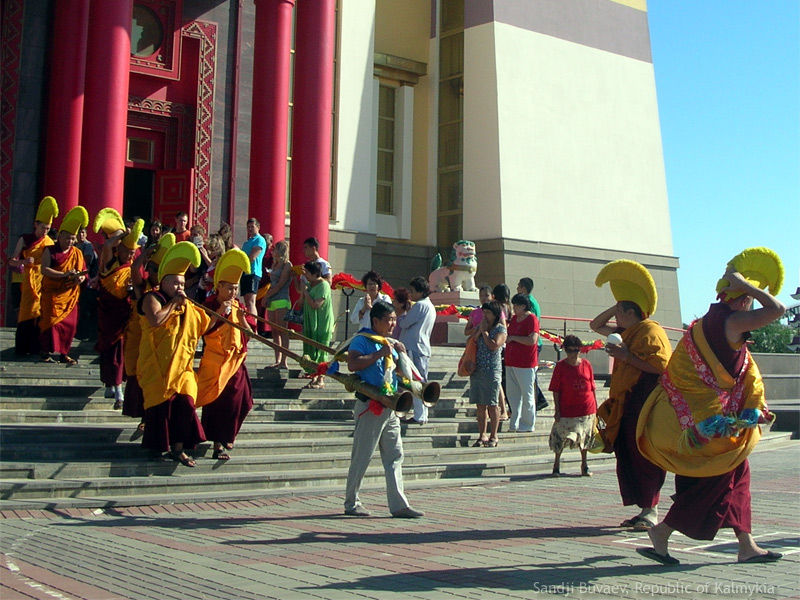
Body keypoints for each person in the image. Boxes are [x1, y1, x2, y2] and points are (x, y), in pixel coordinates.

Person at [636, 250, 785, 565]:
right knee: (715, 483)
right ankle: (662, 533)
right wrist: (746, 283)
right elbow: (777, 309)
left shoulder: (704, 323)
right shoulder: (732, 321)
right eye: (749, 299)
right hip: (715, 429)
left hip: (705, 421)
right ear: (742, 299)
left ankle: (746, 544)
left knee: (738, 475)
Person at [590, 259, 671, 531]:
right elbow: (595, 324)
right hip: (625, 403)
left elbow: (661, 366)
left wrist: (626, 356)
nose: (615, 319)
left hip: (645, 401)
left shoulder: (650, 331)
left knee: (645, 454)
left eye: (619, 313)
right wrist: (618, 303)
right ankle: (644, 510)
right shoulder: (625, 332)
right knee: (627, 453)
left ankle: (652, 510)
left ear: (629, 313)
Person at [344, 300, 423, 518]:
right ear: (376, 320)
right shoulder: (362, 340)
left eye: (394, 320)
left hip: (390, 406)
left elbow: (398, 373)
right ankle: (351, 502)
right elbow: (353, 364)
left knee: (395, 454)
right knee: (362, 455)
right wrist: (380, 354)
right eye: (388, 320)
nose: (392, 324)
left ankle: (399, 504)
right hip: (370, 404)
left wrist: (402, 354)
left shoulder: (391, 342)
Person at [138, 241, 214, 467]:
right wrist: (173, 303)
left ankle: (179, 449)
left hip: (182, 368)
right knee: (161, 408)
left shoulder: (186, 305)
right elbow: (155, 320)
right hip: (157, 366)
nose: (180, 287)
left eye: (182, 283)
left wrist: (224, 311)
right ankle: (158, 447)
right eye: (175, 283)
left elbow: (205, 324)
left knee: (186, 404)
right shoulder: (153, 298)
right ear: (164, 282)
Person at [196, 249, 255, 461]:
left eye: (236, 288)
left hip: (235, 360)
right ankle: (218, 444)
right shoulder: (209, 304)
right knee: (219, 403)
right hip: (217, 361)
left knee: (245, 401)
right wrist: (221, 309)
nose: (232, 292)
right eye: (229, 288)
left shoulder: (237, 304)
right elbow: (205, 329)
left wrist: (245, 320)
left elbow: (246, 331)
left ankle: (229, 435)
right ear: (219, 286)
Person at [123, 233, 175, 426]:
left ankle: (151, 417)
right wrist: (145, 254)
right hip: (139, 337)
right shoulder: (143, 288)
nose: (151, 272)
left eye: (155, 269)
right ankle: (145, 416)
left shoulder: (167, 291)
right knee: (141, 375)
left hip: (162, 341)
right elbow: (135, 270)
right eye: (150, 268)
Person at [94, 209, 140, 407]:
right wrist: (123, 233)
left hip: (125, 313)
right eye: (127, 251)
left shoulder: (131, 266)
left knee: (122, 351)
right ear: (119, 248)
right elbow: (106, 244)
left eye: (133, 252)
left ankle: (119, 389)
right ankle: (110, 384)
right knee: (109, 349)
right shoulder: (109, 262)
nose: (130, 254)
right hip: (108, 312)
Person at [39, 206, 89, 364]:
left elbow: (83, 272)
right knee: (51, 323)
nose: (70, 242)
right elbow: (44, 269)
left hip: (70, 295)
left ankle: (64, 353)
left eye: (73, 238)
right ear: (60, 236)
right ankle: (45, 352)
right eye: (67, 238)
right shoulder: (50, 250)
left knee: (69, 325)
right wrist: (63, 275)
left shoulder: (77, 252)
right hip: (53, 293)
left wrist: (79, 279)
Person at [9, 196, 57, 355]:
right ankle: (22, 348)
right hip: (27, 282)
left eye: (48, 229)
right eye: (43, 227)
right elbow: (11, 261)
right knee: (26, 313)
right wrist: (23, 260)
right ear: (35, 224)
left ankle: (37, 348)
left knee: (40, 314)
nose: (45, 231)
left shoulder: (49, 242)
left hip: (42, 281)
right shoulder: (25, 239)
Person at [548, 335, 597, 477]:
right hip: (567, 409)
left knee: (585, 439)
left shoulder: (587, 365)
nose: (572, 354)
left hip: (586, 409)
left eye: (575, 350)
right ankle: (556, 465)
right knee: (559, 437)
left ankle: (584, 465)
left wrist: (596, 408)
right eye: (569, 351)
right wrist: (557, 410)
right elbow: (555, 390)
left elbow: (592, 387)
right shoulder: (561, 367)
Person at [397, 276, 436, 425]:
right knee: (421, 380)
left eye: (413, 291)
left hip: (415, 347)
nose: (411, 295)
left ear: (421, 292)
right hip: (422, 347)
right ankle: (423, 415)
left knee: (416, 381)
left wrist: (402, 315)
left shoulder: (420, 305)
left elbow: (405, 323)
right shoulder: (429, 306)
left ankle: (419, 415)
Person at [468, 301, 507, 447]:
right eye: (484, 312)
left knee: (492, 403)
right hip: (478, 369)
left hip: (492, 369)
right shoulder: (481, 326)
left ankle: (494, 435)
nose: (485, 315)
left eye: (488, 313)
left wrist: (484, 332)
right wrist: (479, 331)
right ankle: (481, 434)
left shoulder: (500, 329)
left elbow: (493, 345)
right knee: (480, 404)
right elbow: (472, 339)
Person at [505, 294, 539, 432]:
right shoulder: (514, 319)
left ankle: (528, 424)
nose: (514, 308)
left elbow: (532, 340)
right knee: (513, 395)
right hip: (511, 361)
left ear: (523, 306)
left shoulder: (532, 319)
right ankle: (514, 423)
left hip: (526, 363)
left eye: (516, 305)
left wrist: (514, 338)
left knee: (527, 394)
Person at [301, 260, 334, 388]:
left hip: (322, 323)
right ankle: (313, 377)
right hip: (311, 323)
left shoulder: (324, 285)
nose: (306, 275)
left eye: (308, 273)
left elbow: (316, 304)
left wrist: (306, 293)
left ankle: (321, 379)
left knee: (321, 350)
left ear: (315, 274)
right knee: (311, 350)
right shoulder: (311, 284)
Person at [260, 240, 293, 369]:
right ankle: (277, 359)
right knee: (274, 331)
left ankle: (284, 361)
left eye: (275, 249)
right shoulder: (275, 264)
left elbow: (280, 284)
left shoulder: (287, 265)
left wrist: (266, 296)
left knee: (282, 330)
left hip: (282, 299)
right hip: (272, 299)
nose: (272, 252)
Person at [74, 226, 99, 341]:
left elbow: (86, 263)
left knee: (86, 308)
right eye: (79, 232)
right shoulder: (74, 245)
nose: (81, 235)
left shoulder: (87, 246)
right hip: (75, 279)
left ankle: (86, 333)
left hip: (88, 281)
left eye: (83, 232)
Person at [241, 218, 266, 318]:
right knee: (247, 301)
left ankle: (253, 325)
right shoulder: (247, 242)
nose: (250, 229)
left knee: (251, 301)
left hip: (253, 273)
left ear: (258, 227)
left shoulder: (259, 240)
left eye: (252, 227)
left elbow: (252, 257)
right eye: (248, 227)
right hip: (245, 272)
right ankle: (249, 321)